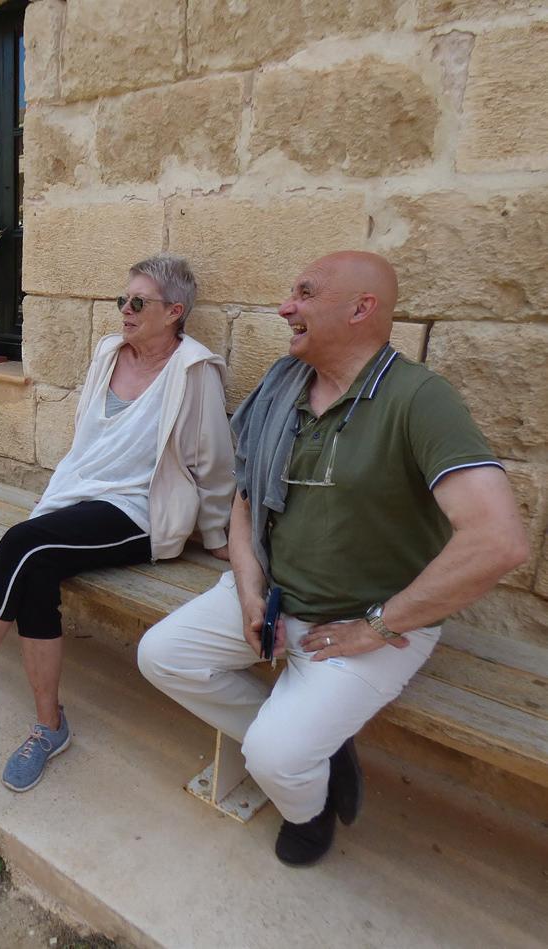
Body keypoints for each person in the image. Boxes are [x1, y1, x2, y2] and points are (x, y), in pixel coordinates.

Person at [137, 251, 528, 866]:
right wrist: (249, 590)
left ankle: (307, 808)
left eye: (305, 293)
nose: (284, 307)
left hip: (371, 623)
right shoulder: (282, 387)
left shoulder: (419, 398)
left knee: (273, 755)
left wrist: (378, 626)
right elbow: (245, 501)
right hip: (274, 593)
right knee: (162, 656)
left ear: (360, 308)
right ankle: (318, 744)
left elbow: (498, 539)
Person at [0, 254, 235, 792]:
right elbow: (85, 441)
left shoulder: (194, 371)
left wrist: (215, 536)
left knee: (21, 545)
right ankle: (49, 727)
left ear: (174, 312)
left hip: (140, 511)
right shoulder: (108, 353)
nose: (125, 310)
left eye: (137, 302)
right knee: (37, 569)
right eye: (122, 299)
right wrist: (57, 502)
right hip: (79, 499)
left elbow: (214, 460)